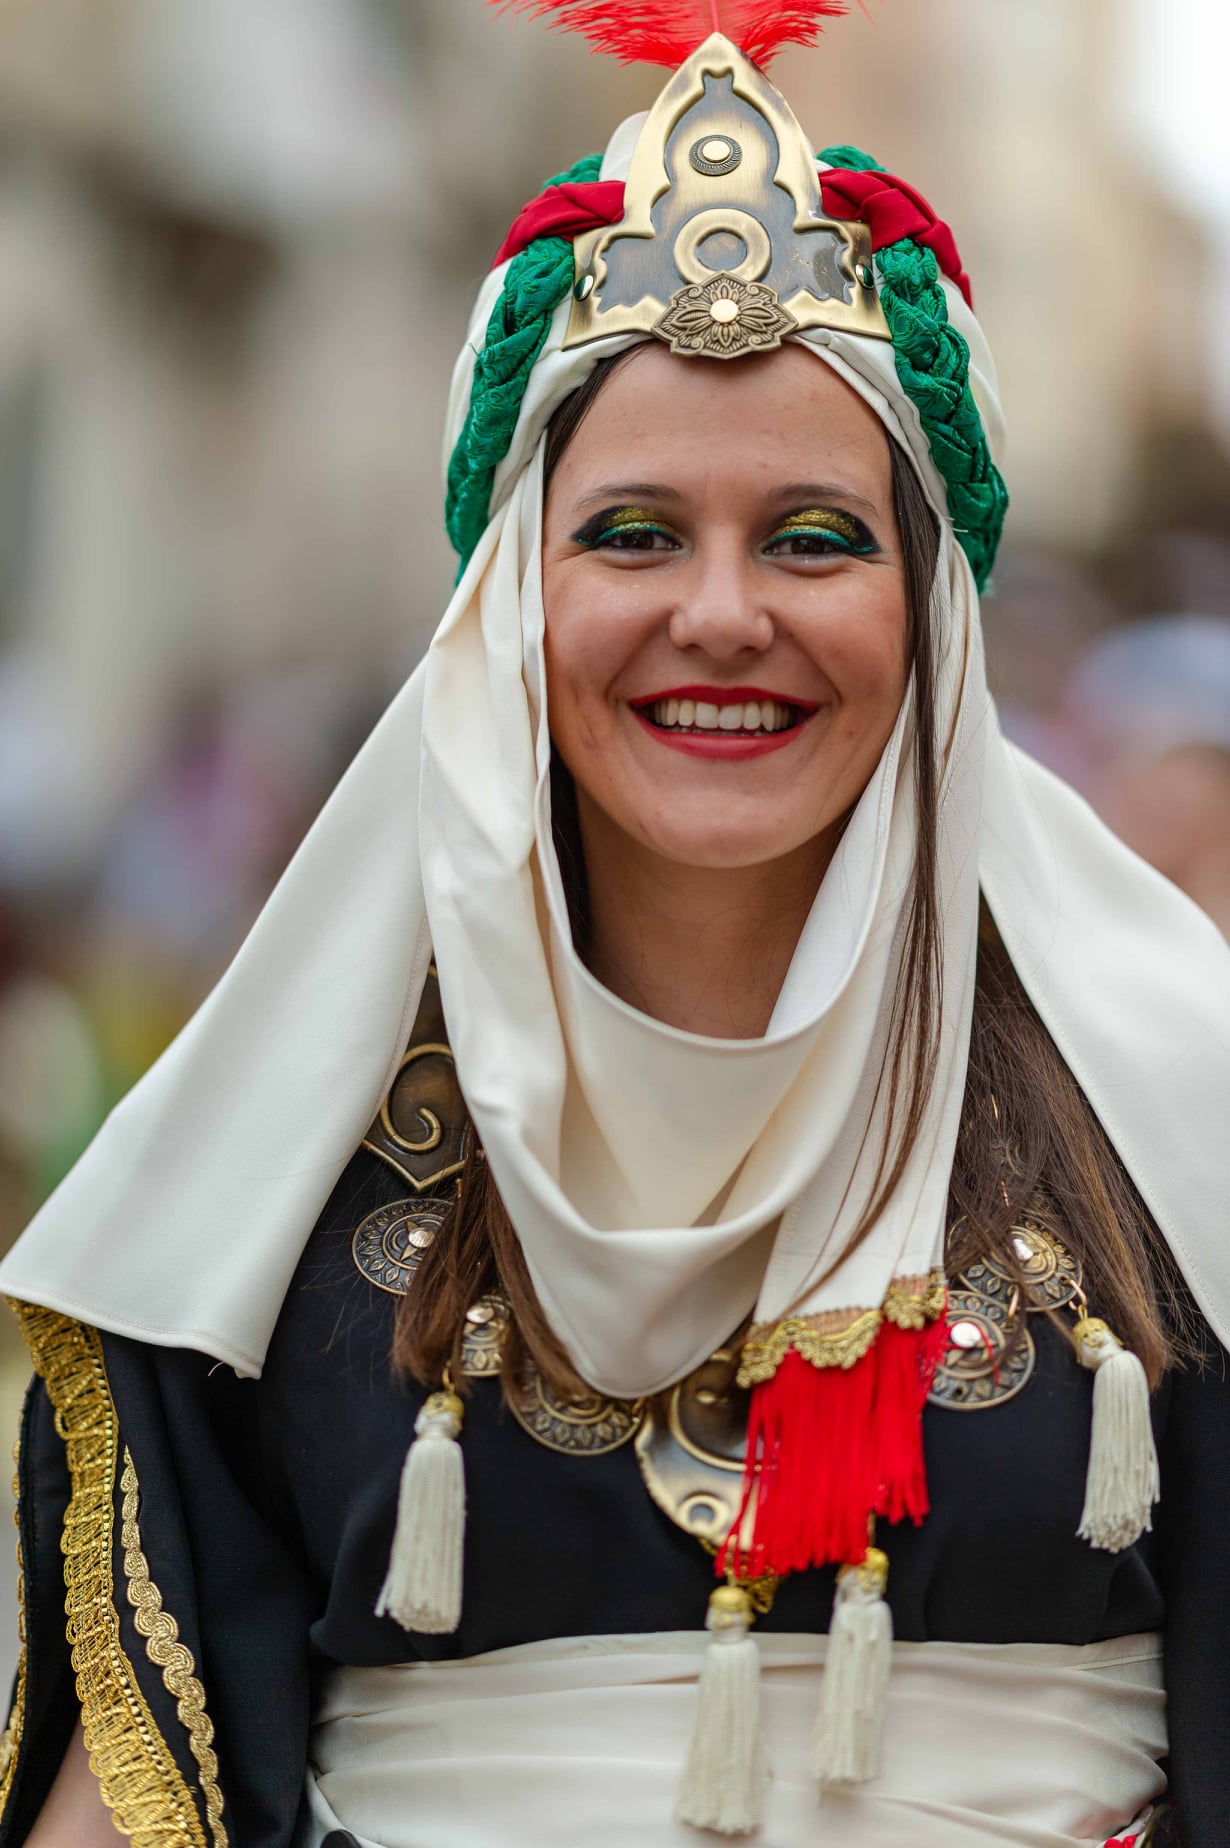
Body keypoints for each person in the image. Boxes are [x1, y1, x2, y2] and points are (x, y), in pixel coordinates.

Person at [2, 6, 1229, 1846]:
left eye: (813, 538)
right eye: (634, 533)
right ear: (509, 602)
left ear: (934, 614)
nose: (721, 614)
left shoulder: (1174, 1127)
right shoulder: (270, 1173)